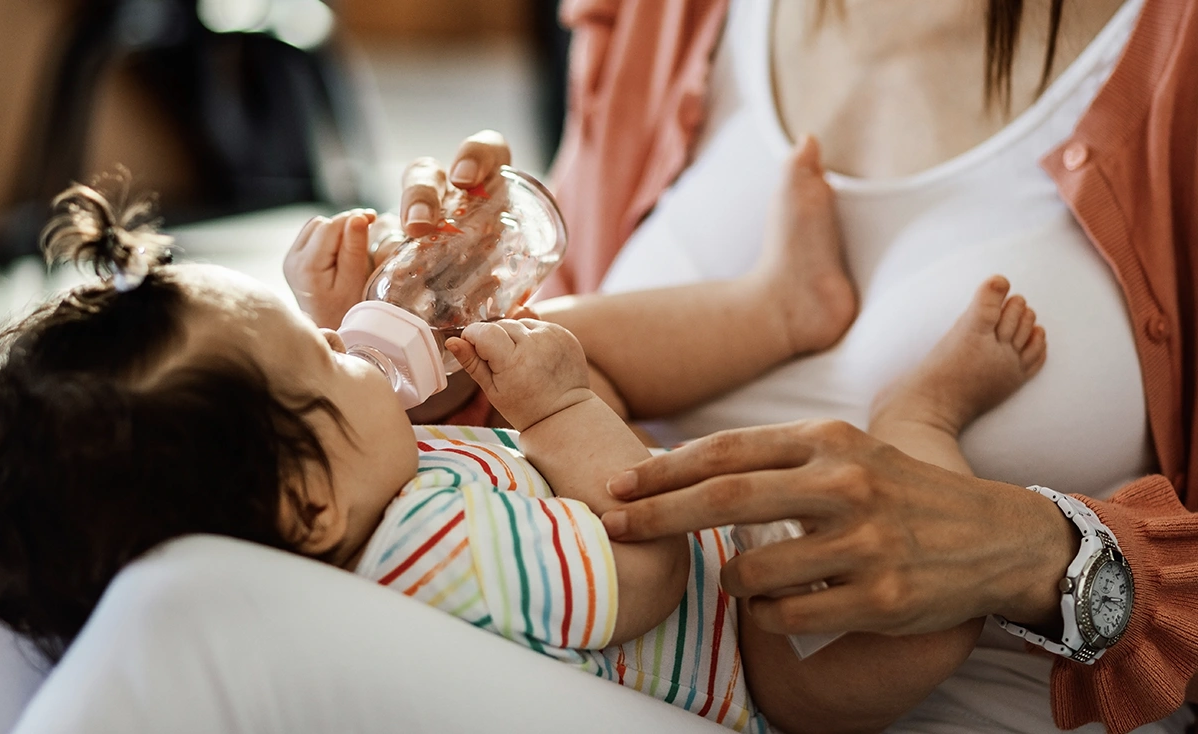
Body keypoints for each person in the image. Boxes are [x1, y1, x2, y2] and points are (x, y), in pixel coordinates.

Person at [0, 153, 1046, 731]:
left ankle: (780, 305)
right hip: (745, 661)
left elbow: (292, 436)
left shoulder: (335, 509)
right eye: (322, 361)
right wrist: (556, 413)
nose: (350, 349)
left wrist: (343, 344)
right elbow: (646, 571)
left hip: (652, 548)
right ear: (301, 505)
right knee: (914, 644)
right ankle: (922, 420)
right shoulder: (429, 542)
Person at [383, 1, 1198, 732]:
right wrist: (445, 336)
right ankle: (785, 314)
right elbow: (558, 398)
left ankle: (916, 411)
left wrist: (1031, 552)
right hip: (626, 632)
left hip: (818, 679)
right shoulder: (662, 19)